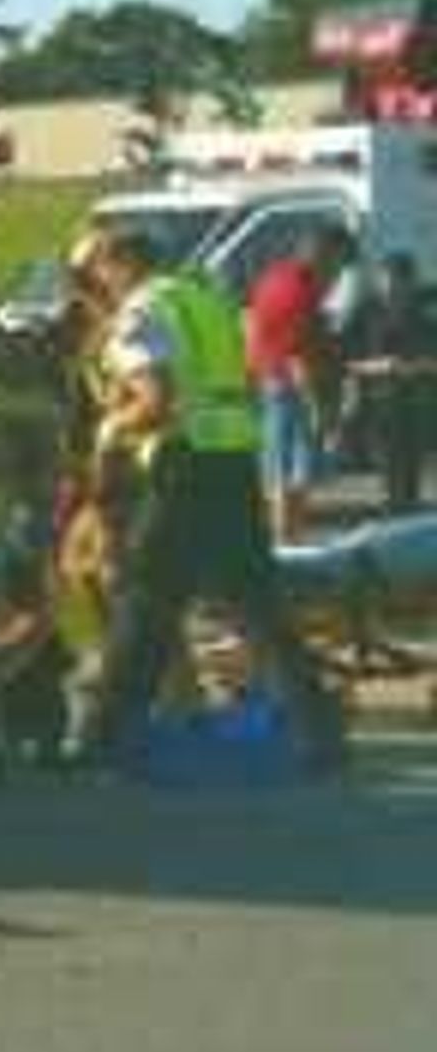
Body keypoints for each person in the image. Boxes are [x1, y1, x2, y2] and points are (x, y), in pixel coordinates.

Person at [67, 225, 340, 774]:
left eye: (95, 272)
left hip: (183, 467)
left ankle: (103, 739)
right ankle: (319, 734)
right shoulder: (203, 299)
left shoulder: (141, 313)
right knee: (259, 606)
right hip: (235, 465)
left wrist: (108, 433)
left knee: (144, 601)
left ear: (118, 263)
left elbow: (157, 401)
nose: (95, 287)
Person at [245, 223, 344, 542]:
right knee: (288, 475)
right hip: (289, 389)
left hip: (273, 383)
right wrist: (320, 409)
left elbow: (253, 328)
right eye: (337, 264)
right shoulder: (299, 290)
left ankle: (290, 538)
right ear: (322, 254)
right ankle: (284, 542)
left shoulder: (275, 277)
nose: (337, 275)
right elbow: (297, 358)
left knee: (289, 473)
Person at [349, 250, 436, 517]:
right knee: (389, 465)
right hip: (380, 399)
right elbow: (347, 361)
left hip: (418, 398)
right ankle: (394, 511)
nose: (394, 287)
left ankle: (408, 510)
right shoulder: (366, 312)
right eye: (388, 279)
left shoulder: (424, 314)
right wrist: (381, 366)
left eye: (401, 280)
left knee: (412, 465)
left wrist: (423, 366)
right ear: (379, 280)